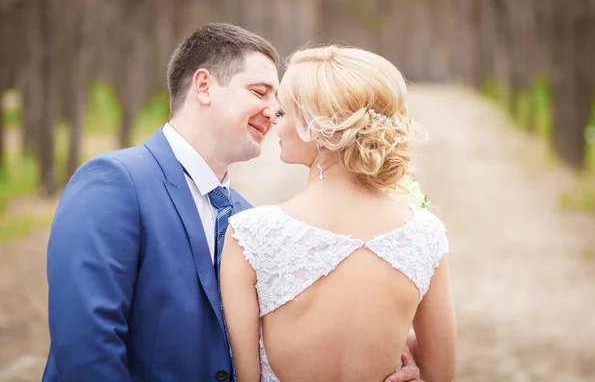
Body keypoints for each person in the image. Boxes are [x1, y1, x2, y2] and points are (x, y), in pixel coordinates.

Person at [42, 24, 420, 381]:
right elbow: (86, 342)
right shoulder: (115, 182)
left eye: (280, 101)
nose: (275, 112)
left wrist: (395, 354)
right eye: (260, 92)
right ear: (204, 86)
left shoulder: (247, 219)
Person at [221, 45, 456, 382]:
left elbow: (244, 376)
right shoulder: (425, 234)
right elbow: (440, 375)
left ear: (316, 129)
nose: (274, 119)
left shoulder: (250, 236)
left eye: (284, 112)